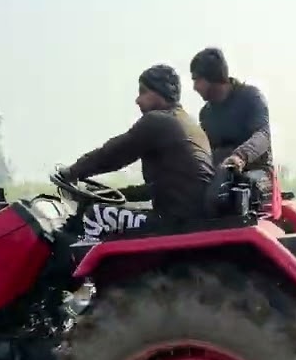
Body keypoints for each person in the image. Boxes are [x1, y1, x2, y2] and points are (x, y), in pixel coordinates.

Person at [57, 64, 215, 240]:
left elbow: (112, 155)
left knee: (95, 214)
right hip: (190, 219)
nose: (138, 100)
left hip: (174, 223)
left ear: (160, 92)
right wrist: (113, 194)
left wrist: (73, 171)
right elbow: (159, 188)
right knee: (108, 211)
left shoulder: (157, 121)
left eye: (143, 92)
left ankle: (77, 258)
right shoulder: (188, 123)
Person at [190, 47, 272, 179]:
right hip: (223, 174)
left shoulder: (250, 97)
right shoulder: (206, 114)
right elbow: (206, 150)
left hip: (257, 172)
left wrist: (240, 156)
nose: (195, 87)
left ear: (212, 77)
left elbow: (263, 135)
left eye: (197, 80)